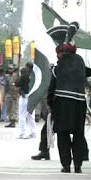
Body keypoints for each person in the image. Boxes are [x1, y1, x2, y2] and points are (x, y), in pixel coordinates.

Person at [48, 22, 87, 173]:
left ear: (61, 53)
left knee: (63, 134)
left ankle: (66, 165)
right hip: (79, 104)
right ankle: (77, 166)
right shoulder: (81, 63)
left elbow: (52, 89)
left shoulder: (59, 67)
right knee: (78, 134)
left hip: (63, 104)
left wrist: (51, 105)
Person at [16, 63, 36, 139]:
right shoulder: (35, 76)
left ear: (27, 67)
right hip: (32, 97)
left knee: (22, 115)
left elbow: (17, 83)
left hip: (25, 97)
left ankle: (22, 133)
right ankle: (33, 133)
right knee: (31, 116)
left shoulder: (24, 75)